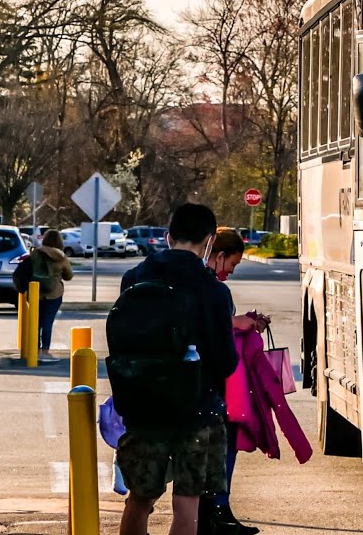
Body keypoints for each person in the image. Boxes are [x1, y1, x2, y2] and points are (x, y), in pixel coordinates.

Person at [115, 204, 238, 535]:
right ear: (209, 242)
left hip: (142, 408)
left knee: (139, 500)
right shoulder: (214, 290)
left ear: (168, 237)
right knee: (187, 502)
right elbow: (227, 361)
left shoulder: (134, 277)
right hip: (198, 411)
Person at [203, 228, 269, 535]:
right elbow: (205, 325)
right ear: (219, 256)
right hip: (213, 384)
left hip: (195, 383)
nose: (231, 270)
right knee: (223, 446)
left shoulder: (194, 282)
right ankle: (217, 510)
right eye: (233, 263)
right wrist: (235, 322)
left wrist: (242, 320)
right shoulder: (213, 289)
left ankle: (215, 511)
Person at [14, 228, 74, 362]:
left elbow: (26, 270)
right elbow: (69, 275)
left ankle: (34, 350)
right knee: (48, 322)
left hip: (36, 293)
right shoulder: (61, 256)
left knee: (36, 321)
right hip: (54, 293)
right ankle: (45, 351)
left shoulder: (36, 253)